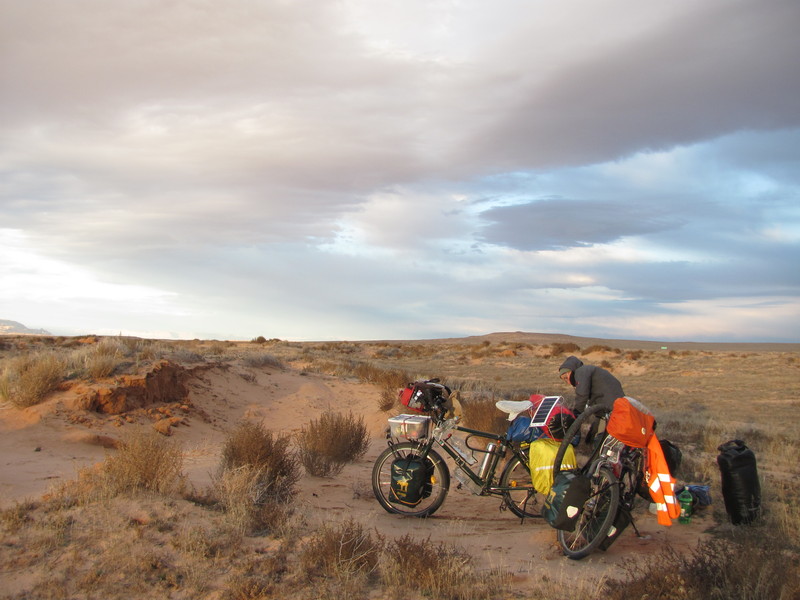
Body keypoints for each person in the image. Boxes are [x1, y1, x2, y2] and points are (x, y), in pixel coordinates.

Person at [558, 355, 625, 444]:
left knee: (600, 439)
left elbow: (582, 395)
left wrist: (575, 415)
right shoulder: (588, 372)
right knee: (592, 435)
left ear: (571, 370)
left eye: (566, 378)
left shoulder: (581, 372)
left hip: (612, 409)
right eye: (565, 380)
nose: (568, 382)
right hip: (610, 408)